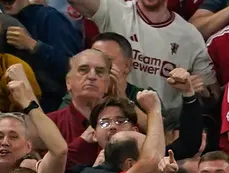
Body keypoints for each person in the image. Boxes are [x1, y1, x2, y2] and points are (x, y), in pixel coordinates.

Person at [66, 0, 215, 121]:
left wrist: (202, 91)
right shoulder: (115, 10)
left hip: (164, 124)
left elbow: (213, 95)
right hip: (110, 114)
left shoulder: (191, 36)